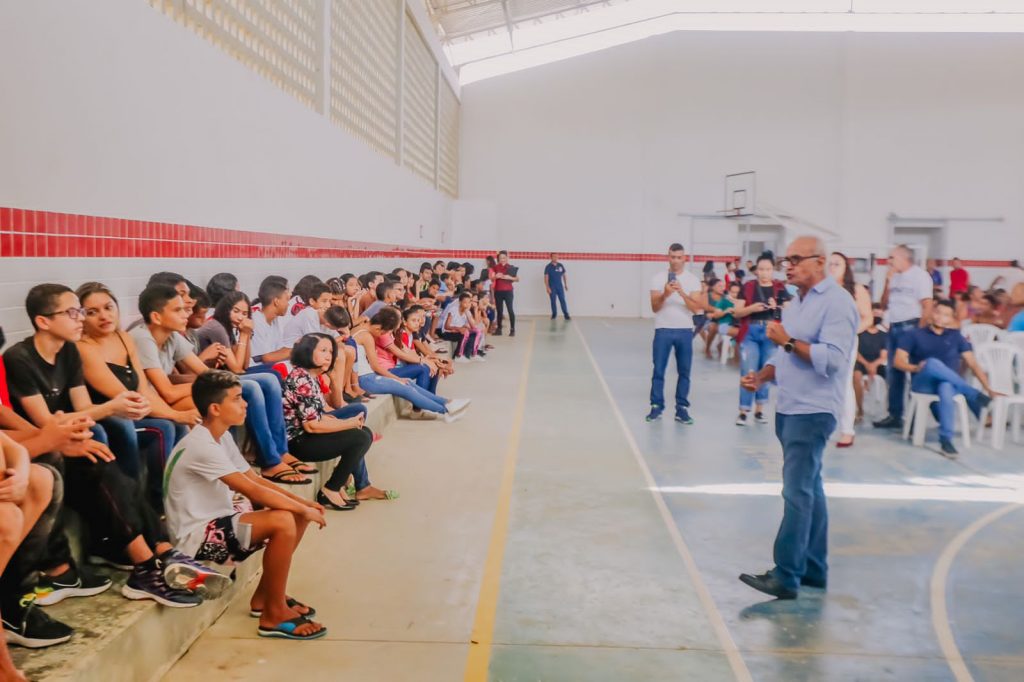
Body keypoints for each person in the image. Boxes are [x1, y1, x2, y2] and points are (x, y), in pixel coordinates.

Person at [3, 284, 217, 607]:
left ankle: (160, 552)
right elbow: (47, 424)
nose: (82, 319)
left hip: (60, 437)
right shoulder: (19, 358)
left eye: (82, 311)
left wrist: (91, 419)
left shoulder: (70, 351)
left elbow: (79, 408)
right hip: (44, 443)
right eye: (74, 312)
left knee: (103, 457)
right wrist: (109, 408)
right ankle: (146, 562)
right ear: (44, 321)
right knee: (97, 455)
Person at [163, 370, 327, 640]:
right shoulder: (201, 445)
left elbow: (255, 479)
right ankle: (273, 615)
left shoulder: (222, 436)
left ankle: (266, 597)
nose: (246, 403)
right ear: (215, 409)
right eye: (238, 399)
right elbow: (249, 489)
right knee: (284, 519)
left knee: (296, 515)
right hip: (196, 537)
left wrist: (302, 504)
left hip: (218, 520)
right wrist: (300, 508)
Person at [738, 236, 858, 600]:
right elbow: (783, 352)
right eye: (785, 259)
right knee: (811, 489)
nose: (787, 265)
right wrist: (761, 376)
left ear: (818, 262)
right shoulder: (795, 302)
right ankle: (813, 570)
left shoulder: (838, 304)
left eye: (795, 259)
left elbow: (833, 359)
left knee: (796, 492)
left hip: (814, 410)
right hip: (790, 406)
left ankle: (786, 575)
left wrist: (788, 341)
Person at [132, 284, 311, 485]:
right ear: (157, 316)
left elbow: (205, 373)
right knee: (230, 397)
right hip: (154, 405)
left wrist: (215, 383)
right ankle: (257, 464)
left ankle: (277, 453)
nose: (187, 311)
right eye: (178, 309)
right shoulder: (143, 338)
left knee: (266, 380)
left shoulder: (172, 336)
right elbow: (168, 392)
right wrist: (212, 385)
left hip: (171, 395)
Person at [76, 282, 198, 508]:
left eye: (108, 307)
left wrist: (175, 415)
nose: (103, 316)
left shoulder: (124, 338)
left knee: (176, 425)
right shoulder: (83, 348)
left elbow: (143, 389)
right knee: (164, 428)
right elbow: (125, 395)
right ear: (81, 317)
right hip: (107, 417)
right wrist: (175, 415)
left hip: (133, 411)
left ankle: (178, 494)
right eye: (92, 312)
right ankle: (155, 504)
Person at [893, 300, 998, 457]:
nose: (940, 317)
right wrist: (915, 368)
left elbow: (973, 364)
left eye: (946, 315)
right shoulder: (914, 334)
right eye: (938, 312)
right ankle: (973, 394)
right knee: (932, 363)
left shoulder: (956, 337)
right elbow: (897, 361)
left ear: (952, 318)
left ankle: (946, 441)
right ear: (932, 313)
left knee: (946, 386)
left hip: (948, 384)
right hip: (922, 383)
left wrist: (988, 388)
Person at [281, 335, 373, 511]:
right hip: (298, 442)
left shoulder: (311, 376)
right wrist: (348, 424)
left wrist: (341, 421)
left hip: (306, 436)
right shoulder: (301, 379)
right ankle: (331, 489)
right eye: (323, 350)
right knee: (360, 437)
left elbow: (320, 414)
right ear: (307, 351)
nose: (329, 355)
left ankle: (338, 484)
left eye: (330, 351)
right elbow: (311, 425)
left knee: (365, 433)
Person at [353, 309, 468, 422]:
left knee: (407, 383)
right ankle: (446, 410)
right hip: (366, 379)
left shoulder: (358, 329)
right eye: (383, 333)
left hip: (367, 377)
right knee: (406, 388)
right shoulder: (366, 336)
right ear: (378, 328)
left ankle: (448, 403)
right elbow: (375, 366)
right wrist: (397, 379)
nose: (381, 336)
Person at [873, 245, 934, 430]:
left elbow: (927, 305)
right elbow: (884, 304)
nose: (889, 261)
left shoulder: (920, 276)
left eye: (892, 257)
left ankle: (916, 416)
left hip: (912, 326)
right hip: (894, 327)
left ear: (903, 257)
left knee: (913, 371)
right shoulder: (894, 277)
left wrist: (920, 333)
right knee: (894, 372)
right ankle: (895, 414)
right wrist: (887, 282)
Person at [646, 243, 704, 424]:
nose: (676, 261)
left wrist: (682, 293)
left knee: (684, 371)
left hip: (685, 331)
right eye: (673, 257)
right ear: (668, 257)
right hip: (663, 329)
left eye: (679, 257)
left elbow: (696, 309)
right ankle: (656, 406)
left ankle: (682, 408)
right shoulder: (657, 278)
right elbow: (655, 308)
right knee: (658, 370)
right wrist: (665, 293)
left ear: (684, 258)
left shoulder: (693, 280)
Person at [731, 254, 791, 426]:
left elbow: (790, 310)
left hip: (771, 332)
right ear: (757, 270)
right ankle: (743, 411)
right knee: (748, 369)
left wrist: (777, 306)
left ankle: (759, 410)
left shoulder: (779, 288)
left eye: (768, 269)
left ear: (773, 270)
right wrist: (751, 308)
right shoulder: (748, 287)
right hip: (750, 330)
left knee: (766, 369)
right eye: (762, 269)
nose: (765, 273)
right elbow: (737, 312)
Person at [828, 252, 873, 447]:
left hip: (846, 341)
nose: (832, 267)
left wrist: (851, 332)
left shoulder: (856, 290)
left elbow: (868, 318)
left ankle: (847, 430)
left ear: (846, 267)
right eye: (829, 264)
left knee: (844, 383)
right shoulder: (821, 290)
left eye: (837, 264)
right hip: (822, 340)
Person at [853, 305, 888, 421]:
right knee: (856, 376)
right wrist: (867, 365)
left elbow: (883, 355)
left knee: (893, 375)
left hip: (877, 364)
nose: (877, 316)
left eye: (880, 314)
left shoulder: (884, 336)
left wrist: (874, 365)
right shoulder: (859, 333)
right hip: (861, 362)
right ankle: (860, 409)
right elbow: (855, 353)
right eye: (875, 313)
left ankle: (887, 411)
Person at [439, 293, 482, 363]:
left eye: (469, 302)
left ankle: (472, 354)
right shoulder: (453, 310)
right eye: (465, 302)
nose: (467, 304)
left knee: (477, 331)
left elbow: (473, 326)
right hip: (448, 332)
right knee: (465, 332)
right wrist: (458, 329)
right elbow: (446, 326)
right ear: (460, 302)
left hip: (459, 332)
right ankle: (458, 356)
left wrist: (467, 313)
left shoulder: (467, 311)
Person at [491, 250, 519, 337]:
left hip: (508, 292)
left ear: (507, 258)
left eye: (504, 258)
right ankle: (499, 330)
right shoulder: (495, 267)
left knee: (510, 310)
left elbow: (517, 279)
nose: (502, 259)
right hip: (498, 291)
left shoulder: (511, 267)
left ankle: (512, 329)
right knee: (499, 311)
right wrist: (496, 276)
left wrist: (509, 277)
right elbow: (491, 279)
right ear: (498, 259)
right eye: (500, 258)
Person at [544, 254, 570, 321]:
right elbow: (546, 278)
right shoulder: (548, 267)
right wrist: (547, 287)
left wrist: (566, 284)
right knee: (553, 301)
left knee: (562, 300)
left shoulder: (560, 265)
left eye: (557, 257)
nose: (556, 258)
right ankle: (554, 314)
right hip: (552, 287)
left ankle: (566, 314)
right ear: (551, 257)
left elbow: (564, 276)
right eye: (554, 257)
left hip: (560, 287)